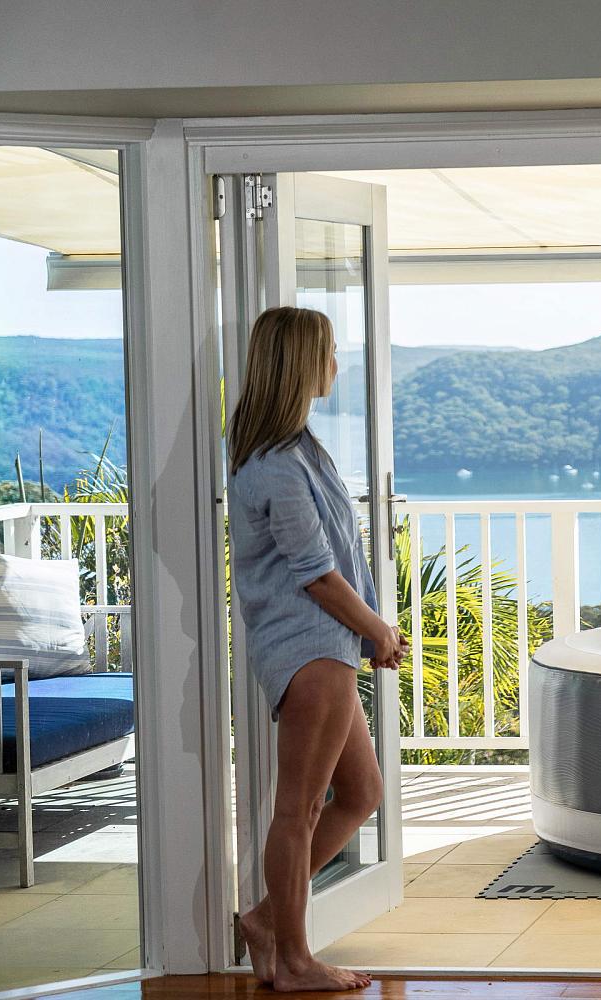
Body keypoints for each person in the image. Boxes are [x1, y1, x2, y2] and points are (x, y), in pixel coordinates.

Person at [226, 305, 409, 993]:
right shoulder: (277, 465)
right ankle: (295, 960)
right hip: (309, 648)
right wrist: (377, 630)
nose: (337, 363)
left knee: (361, 792)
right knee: (298, 810)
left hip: (324, 644)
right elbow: (317, 574)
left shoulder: (298, 448)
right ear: (302, 361)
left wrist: (364, 631)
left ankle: (266, 921)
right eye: (329, 351)